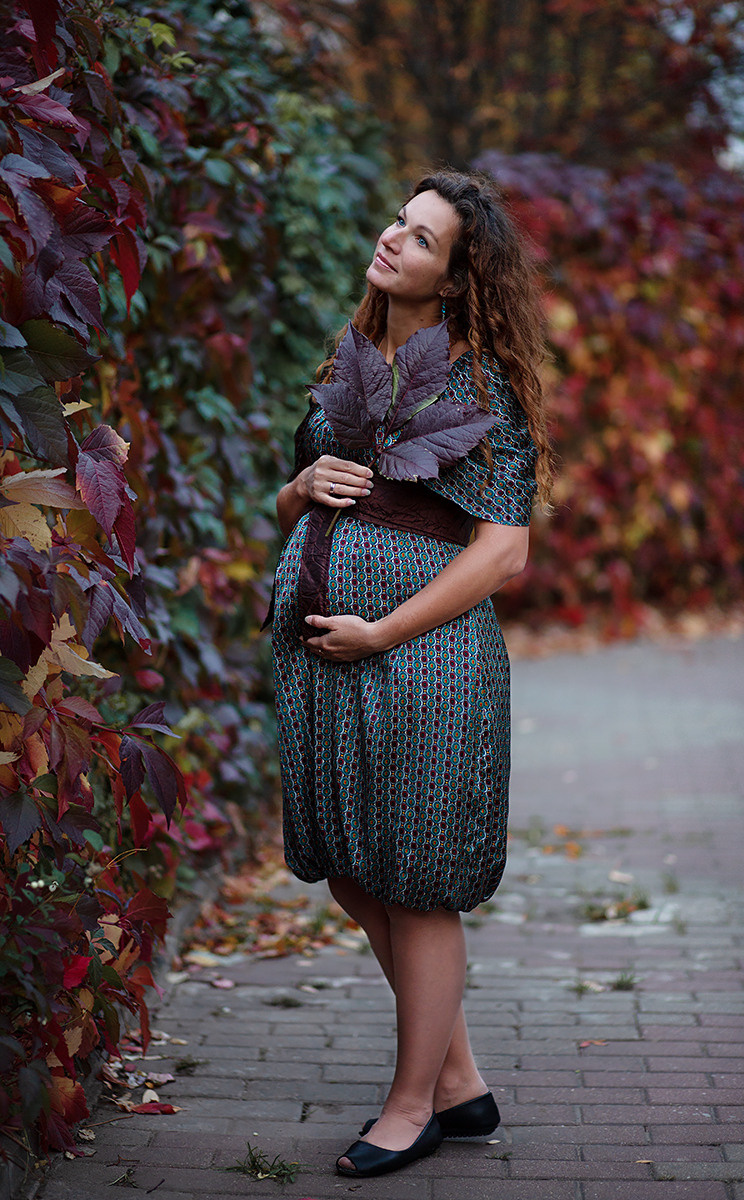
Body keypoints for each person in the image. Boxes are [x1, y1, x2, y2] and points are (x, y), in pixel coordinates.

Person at [269, 168, 553, 1178]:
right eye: (399, 220)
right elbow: (296, 504)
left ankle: (410, 1106)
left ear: (456, 281)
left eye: (422, 238)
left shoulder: (476, 387)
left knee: (415, 882)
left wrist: (382, 631)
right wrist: (299, 487)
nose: (393, 237)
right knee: (352, 867)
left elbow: (504, 551)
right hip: (326, 654)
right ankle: (459, 1080)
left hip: (423, 661)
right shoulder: (351, 358)